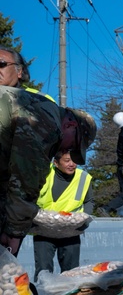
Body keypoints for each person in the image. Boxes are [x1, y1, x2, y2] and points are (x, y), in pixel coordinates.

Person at [0, 86, 96, 257]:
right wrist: (13, 234)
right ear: (70, 124)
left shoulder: (36, 105)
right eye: (72, 145)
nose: (66, 149)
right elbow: (25, 180)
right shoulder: (47, 120)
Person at [33, 150, 94, 278]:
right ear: (56, 162)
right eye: (67, 161)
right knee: (43, 271)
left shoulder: (83, 178)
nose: (72, 164)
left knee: (71, 273)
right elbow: (29, 196)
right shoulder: (43, 173)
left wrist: (85, 221)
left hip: (70, 231)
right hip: (44, 231)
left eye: (74, 160)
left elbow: (89, 201)